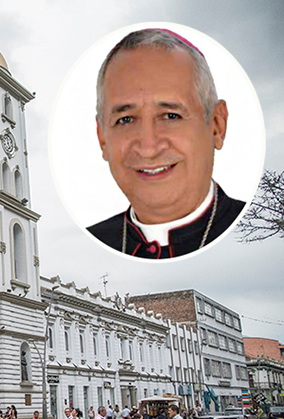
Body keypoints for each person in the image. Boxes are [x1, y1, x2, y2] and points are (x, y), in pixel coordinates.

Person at [87, 28, 244, 259]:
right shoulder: (99, 238)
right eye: (126, 119)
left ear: (217, 126)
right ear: (102, 138)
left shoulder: (247, 225)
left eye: (171, 116)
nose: (149, 148)